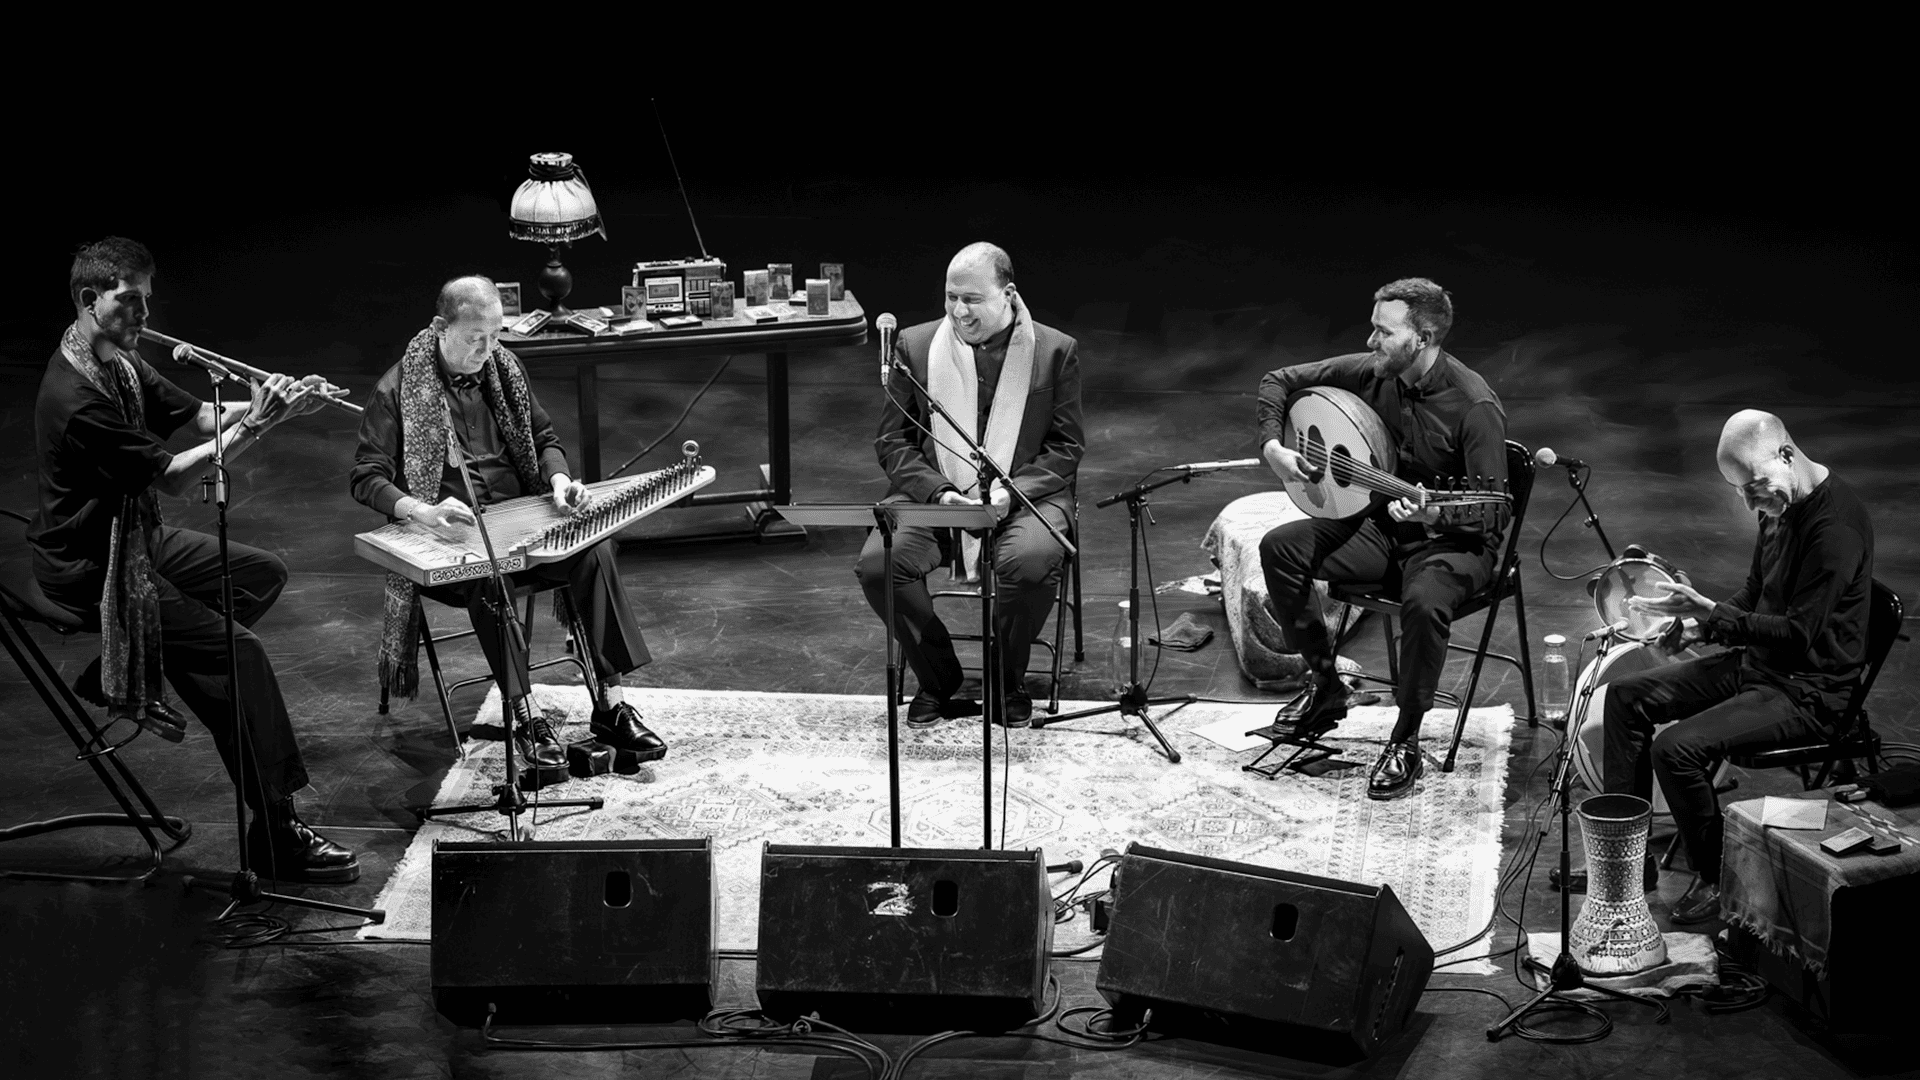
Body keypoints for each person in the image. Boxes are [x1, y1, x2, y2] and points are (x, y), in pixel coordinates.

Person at [29, 237, 360, 882]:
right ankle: (278, 829)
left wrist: (282, 405)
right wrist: (258, 426)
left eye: (148, 302)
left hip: (137, 541)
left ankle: (136, 662)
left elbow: (205, 417)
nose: (144, 319)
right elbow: (178, 477)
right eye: (129, 303)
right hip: (94, 567)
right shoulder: (77, 396)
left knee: (261, 576)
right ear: (89, 301)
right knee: (240, 656)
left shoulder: (119, 362)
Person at [350, 276, 665, 768]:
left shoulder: (505, 369)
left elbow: (544, 438)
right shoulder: (396, 390)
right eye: (477, 337)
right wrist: (421, 511)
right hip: (457, 543)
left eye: (496, 335)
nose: (489, 348)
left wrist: (558, 481)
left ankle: (612, 703)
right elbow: (366, 477)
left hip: (526, 527)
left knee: (596, 547)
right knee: (487, 576)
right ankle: (525, 714)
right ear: (440, 328)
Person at [1604, 410, 1873, 924]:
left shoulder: (1834, 528)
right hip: (1760, 665)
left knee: (1675, 748)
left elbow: (1797, 633)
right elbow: (1756, 593)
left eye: (1754, 486)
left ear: (1786, 454)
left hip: (1808, 690)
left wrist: (1712, 613)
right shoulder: (1778, 501)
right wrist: (1700, 627)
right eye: (1739, 492)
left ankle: (1714, 875)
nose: (1751, 502)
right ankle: (1626, 863)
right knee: (1625, 698)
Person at [1257, 278, 1509, 800]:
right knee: (1280, 547)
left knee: (1422, 602)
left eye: (1383, 332)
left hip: (1454, 545)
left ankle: (1405, 738)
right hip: (1382, 530)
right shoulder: (1375, 372)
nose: (1371, 342)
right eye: (1372, 329)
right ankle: (1327, 688)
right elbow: (1278, 380)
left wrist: (1431, 515)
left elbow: (1490, 517)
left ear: (1422, 337)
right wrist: (1274, 448)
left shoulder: (1473, 405)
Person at [856, 243, 1084, 728]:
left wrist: (1008, 492)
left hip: (1024, 496)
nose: (959, 311)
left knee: (1028, 562)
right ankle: (939, 677)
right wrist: (940, 493)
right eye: (950, 297)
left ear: (1008, 294)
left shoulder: (1055, 350)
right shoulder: (913, 348)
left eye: (973, 299)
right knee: (879, 565)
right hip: (937, 494)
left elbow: (1066, 447)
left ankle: (1006, 680)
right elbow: (893, 441)